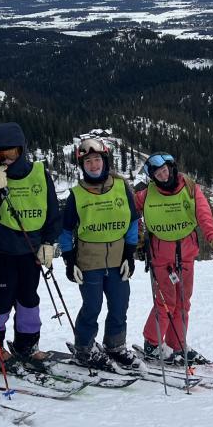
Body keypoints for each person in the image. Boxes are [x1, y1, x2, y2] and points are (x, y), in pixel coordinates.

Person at [0, 122, 62, 370]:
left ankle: (27, 344)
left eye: (11, 152)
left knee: (29, 301)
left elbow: (52, 211)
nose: (6, 159)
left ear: (21, 150)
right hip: (0, 253)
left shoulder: (40, 173)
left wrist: (49, 242)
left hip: (31, 252)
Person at [58, 135, 141, 370]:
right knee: (92, 307)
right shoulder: (77, 194)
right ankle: (84, 349)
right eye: (88, 162)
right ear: (82, 166)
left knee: (119, 306)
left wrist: (129, 254)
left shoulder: (121, 188)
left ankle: (115, 346)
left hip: (117, 260)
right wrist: (69, 259)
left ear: (105, 161)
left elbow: (132, 222)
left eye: (97, 160)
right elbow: (65, 231)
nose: (93, 165)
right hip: (89, 261)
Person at [136, 152, 213, 364]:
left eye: (164, 170)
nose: (163, 175)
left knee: (183, 302)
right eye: (157, 174)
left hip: (186, 254)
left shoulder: (190, 188)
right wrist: (138, 237)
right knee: (165, 302)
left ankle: (177, 345)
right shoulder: (147, 194)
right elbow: (129, 211)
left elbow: (204, 215)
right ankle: (152, 344)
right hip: (161, 257)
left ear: (171, 168)